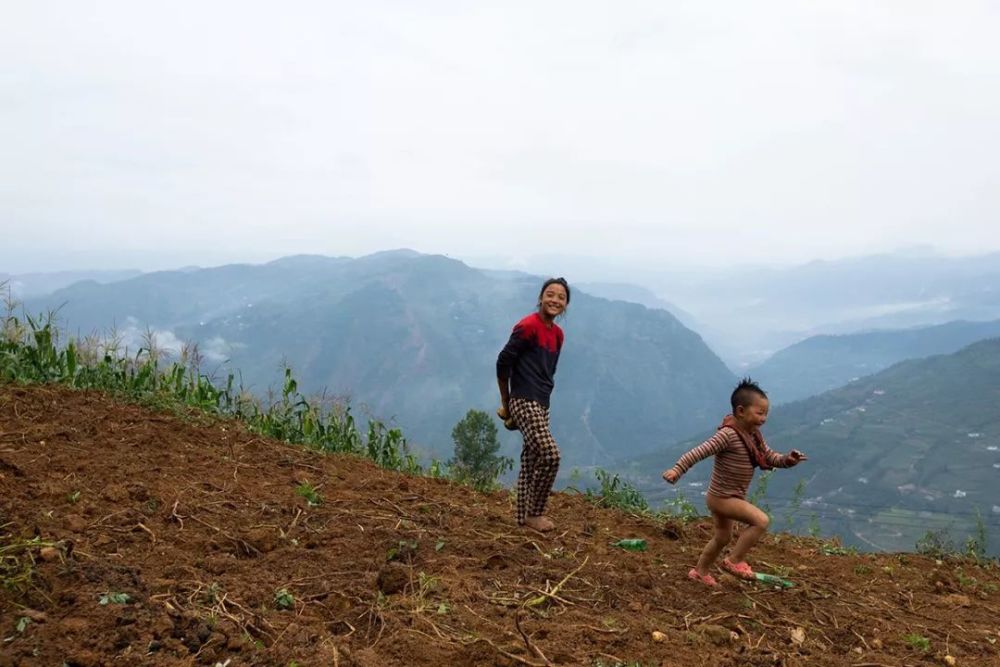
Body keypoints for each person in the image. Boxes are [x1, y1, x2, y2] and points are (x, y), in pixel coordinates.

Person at [662, 378, 806, 586]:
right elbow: (698, 452)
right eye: (759, 413)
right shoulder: (728, 435)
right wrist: (677, 469)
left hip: (727, 496)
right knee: (761, 521)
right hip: (723, 498)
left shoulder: (753, 436)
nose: (764, 418)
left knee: (722, 538)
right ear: (740, 411)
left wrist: (787, 460)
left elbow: (768, 456)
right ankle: (734, 560)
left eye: (766, 413)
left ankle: (700, 572)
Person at [496, 278, 570, 532]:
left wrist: (544, 402)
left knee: (531, 459)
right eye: (550, 294)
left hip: (541, 402)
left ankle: (521, 521)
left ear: (566, 305)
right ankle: (535, 513)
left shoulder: (558, 335)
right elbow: (503, 362)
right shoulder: (528, 326)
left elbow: (548, 373)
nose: (555, 300)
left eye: (561, 297)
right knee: (551, 455)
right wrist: (507, 403)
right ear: (540, 298)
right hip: (523, 400)